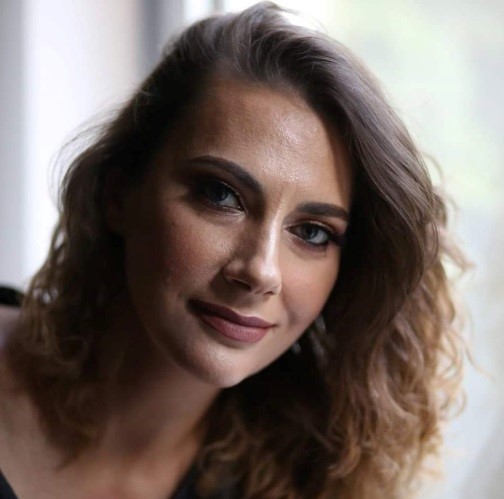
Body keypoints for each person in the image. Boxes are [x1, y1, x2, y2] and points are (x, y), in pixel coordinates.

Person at [0, 2, 466, 498]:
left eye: (312, 233)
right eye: (221, 195)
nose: (262, 271)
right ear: (120, 194)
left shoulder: (298, 487)